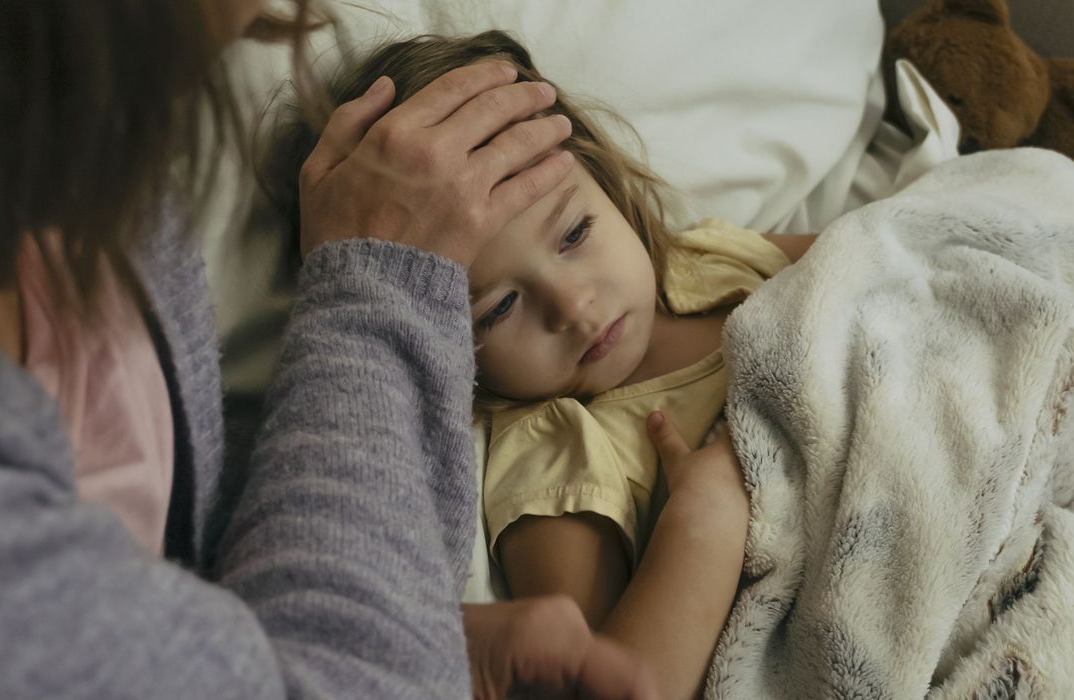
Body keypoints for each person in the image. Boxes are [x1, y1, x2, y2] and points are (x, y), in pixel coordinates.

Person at [0, 2, 656, 698]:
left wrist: (416, 635)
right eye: (495, 307)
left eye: (574, 232)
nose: (282, 17)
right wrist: (380, 279)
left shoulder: (84, 143)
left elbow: (155, 577)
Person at [270, 31, 821, 700]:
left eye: (574, 234)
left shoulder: (706, 260)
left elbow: (891, 259)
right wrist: (701, 516)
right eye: (497, 310)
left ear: (605, 180)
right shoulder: (555, 450)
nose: (570, 304)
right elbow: (612, 680)